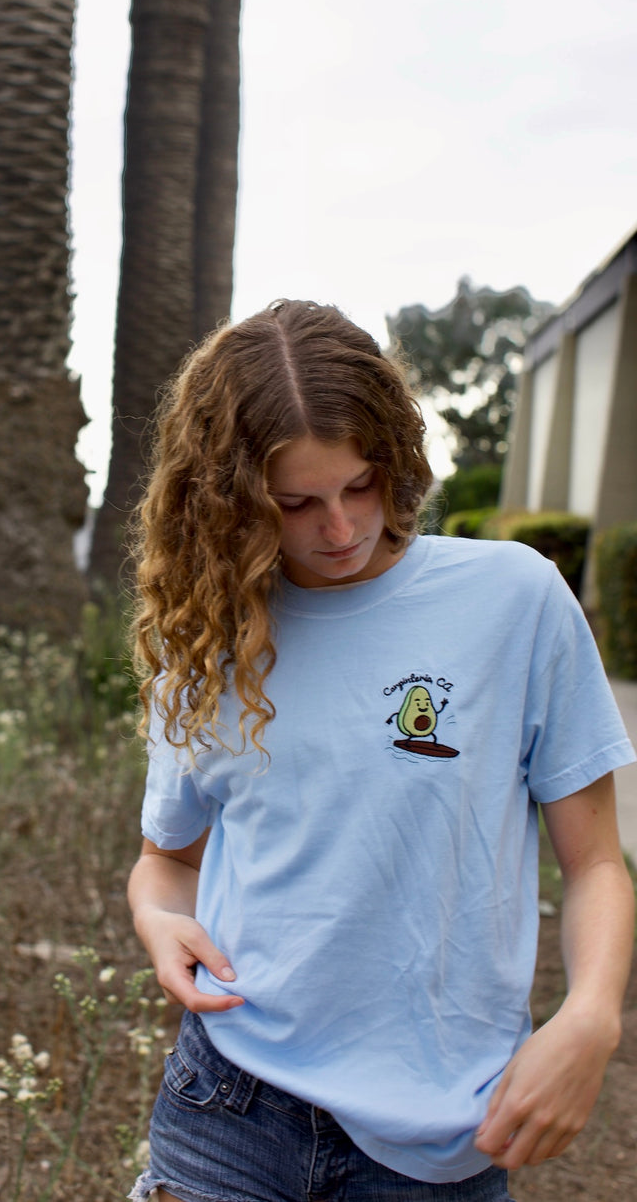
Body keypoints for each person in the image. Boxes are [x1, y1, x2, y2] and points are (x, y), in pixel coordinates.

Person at [127, 299, 635, 1202]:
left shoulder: (514, 601)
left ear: (394, 454)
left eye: (359, 484)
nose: (340, 527)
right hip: (231, 1107)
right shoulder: (209, 633)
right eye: (296, 502)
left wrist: (590, 1017)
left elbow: (595, 860)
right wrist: (159, 918)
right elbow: (168, 858)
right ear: (229, 501)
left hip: (444, 1141)